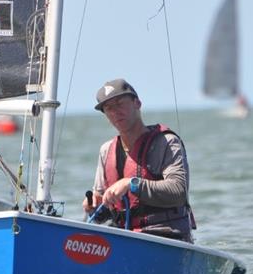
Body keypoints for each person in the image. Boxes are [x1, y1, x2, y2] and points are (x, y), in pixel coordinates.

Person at [83, 78, 196, 242]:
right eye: (109, 108)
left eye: (120, 103)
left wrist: (131, 184)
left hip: (166, 237)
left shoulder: (167, 142)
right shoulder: (106, 151)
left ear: (137, 103)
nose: (115, 112)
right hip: (123, 239)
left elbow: (179, 191)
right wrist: (93, 207)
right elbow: (102, 215)